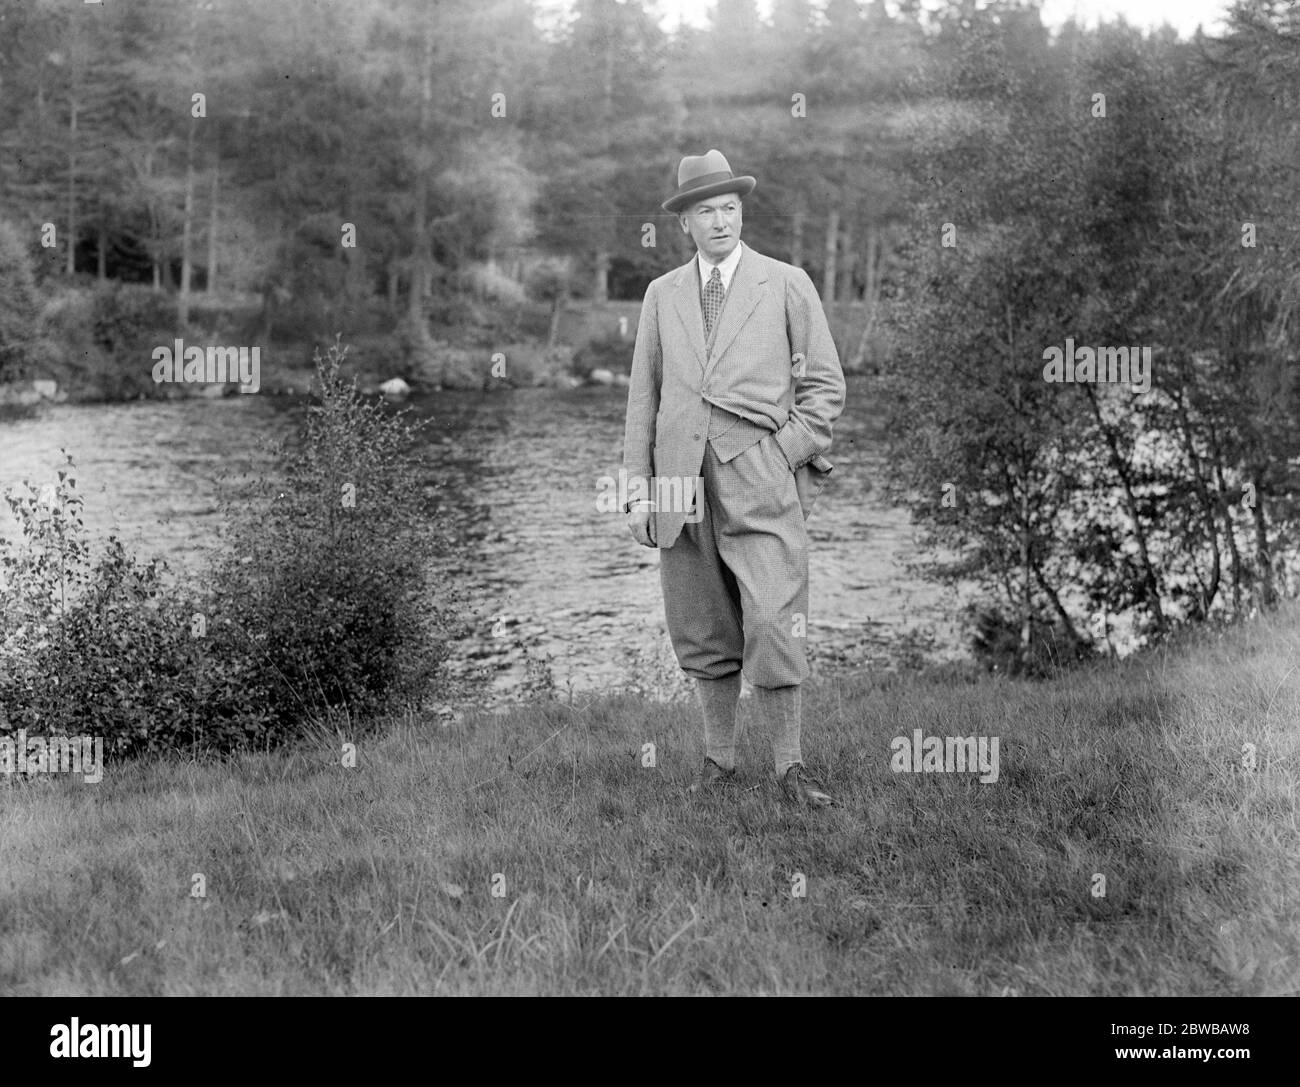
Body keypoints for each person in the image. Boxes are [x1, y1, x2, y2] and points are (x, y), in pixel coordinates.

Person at [622, 149, 846, 808]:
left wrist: (783, 453)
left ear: (740, 211)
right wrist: (638, 489)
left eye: (729, 208)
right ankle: (719, 762)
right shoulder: (661, 294)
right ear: (685, 223)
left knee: (774, 617)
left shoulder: (786, 283)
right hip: (678, 480)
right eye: (706, 211)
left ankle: (790, 768)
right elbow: (643, 398)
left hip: (759, 472)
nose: (720, 221)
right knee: (702, 624)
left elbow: (825, 385)